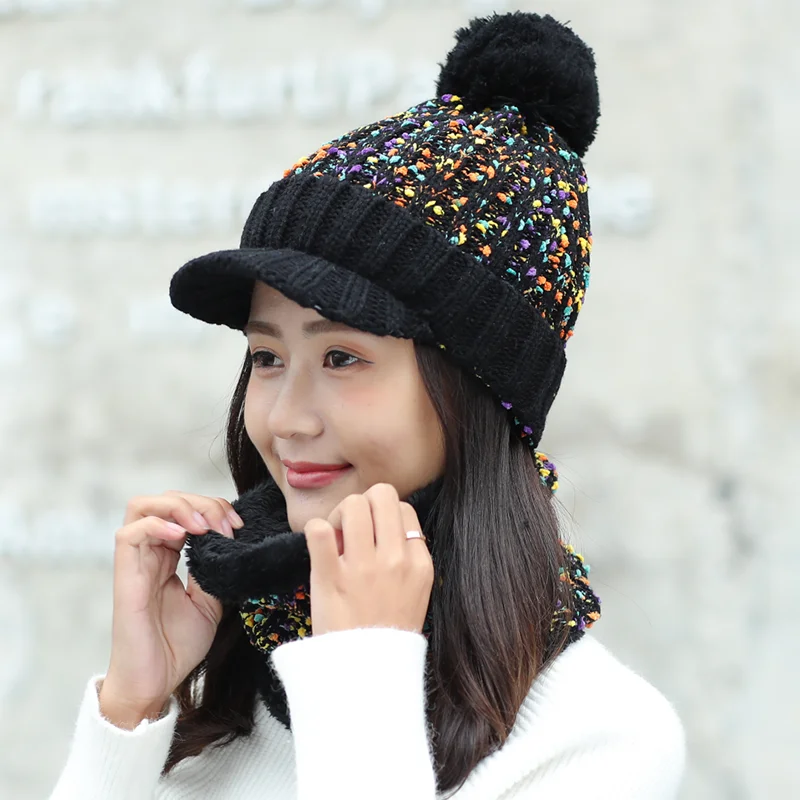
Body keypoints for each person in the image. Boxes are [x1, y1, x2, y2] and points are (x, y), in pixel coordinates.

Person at [49, 11, 686, 800]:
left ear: (475, 389)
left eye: (342, 357)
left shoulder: (601, 738)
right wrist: (131, 711)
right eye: (267, 357)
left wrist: (360, 674)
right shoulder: (229, 665)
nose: (286, 418)